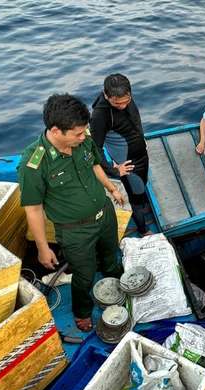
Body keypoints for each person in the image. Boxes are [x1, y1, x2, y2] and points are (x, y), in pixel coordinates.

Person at [18, 94, 127, 332]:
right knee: (84, 275)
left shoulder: (83, 139)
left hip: (105, 214)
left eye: (84, 131)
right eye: (77, 133)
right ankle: (82, 311)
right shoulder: (35, 163)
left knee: (111, 257)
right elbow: (34, 209)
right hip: (75, 231)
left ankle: (119, 286)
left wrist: (111, 189)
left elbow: (94, 164)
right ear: (56, 131)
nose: (83, 136)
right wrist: (42, 248)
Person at [90, 74, 153, 236]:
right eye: (117, 103)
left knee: (142, 184)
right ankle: (143, 230)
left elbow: (135, 120)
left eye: (127, 101)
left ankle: (141, 204)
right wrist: (114, 171)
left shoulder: (125, 98)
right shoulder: (100, 116)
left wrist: (141, 136)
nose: (124, 105)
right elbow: (95, 148)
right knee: (136, 196)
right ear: (106, 95)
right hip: (129, 164)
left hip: (142, 154)